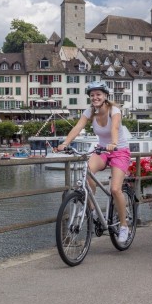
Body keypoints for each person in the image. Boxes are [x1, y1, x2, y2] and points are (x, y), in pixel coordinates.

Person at [56, 81, 131, 243]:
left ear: (105, 96)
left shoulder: (114, 110)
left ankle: (124, 225)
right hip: (101, 150)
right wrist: (65, 143)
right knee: (87, 173)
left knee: (116, 189)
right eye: (92, 95)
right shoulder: (89, 111)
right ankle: (93, 211)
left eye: (98, 94)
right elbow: (77, 128)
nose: (95, 97)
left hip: (119, 150)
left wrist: (114, 143)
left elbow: (115, 128)